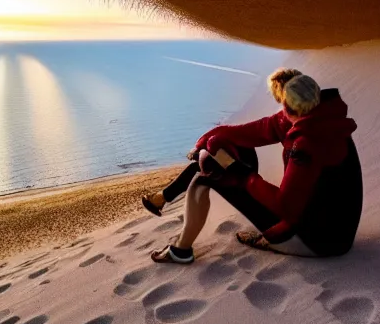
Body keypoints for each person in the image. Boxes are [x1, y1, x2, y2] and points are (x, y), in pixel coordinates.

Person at [143, 68, 363, 264]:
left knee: (204, 179)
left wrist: (239, 172)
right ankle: (162, 198)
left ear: (287, 105)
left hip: (314, 240)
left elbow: (284, 207)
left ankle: (180, 251)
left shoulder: (306, 145)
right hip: (333, 232)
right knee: (225, 158)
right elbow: (253, 131)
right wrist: (206, 142)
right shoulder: (323, 121)